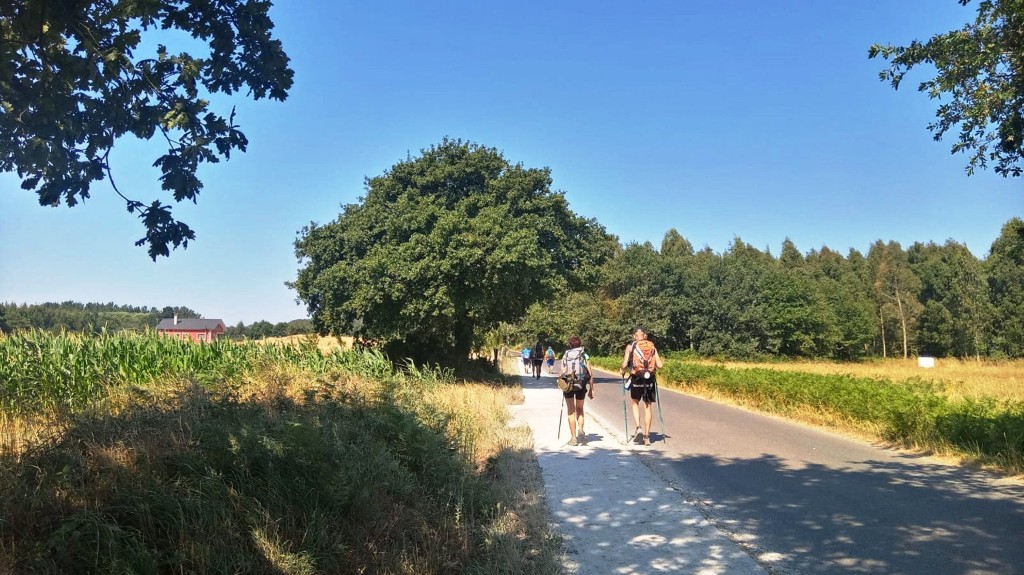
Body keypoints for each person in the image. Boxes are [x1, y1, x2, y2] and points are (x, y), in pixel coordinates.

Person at [620, 326, 663, 446]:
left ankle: (638, 428)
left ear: (634, 336)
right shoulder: (652, 346)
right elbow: (660, 365)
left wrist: (622, 369)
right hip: (649, 378)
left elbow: (624, 364)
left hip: (636, 377)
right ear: (645, 336)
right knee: (648, 406)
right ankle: (647, 436)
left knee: (635, 402)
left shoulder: (631, 346)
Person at [559, 335, 594, 446]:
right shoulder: (585, 355)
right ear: (580, 344)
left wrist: (560, 381)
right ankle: (581, 429)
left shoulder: (566, 355)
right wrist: (591, 389)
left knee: (571, 410)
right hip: (581, 384)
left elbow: (563, 371)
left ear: (570, 345)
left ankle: (573, 438)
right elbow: (590, 373)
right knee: (580, 408)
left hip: (569, 384)